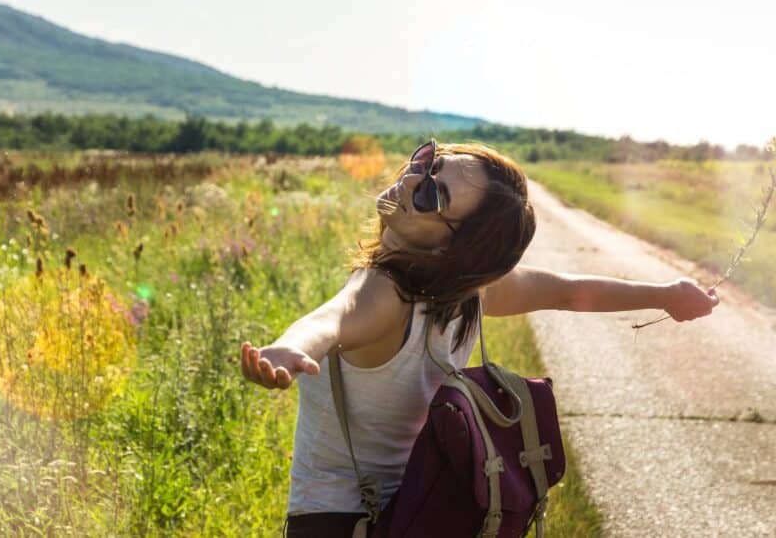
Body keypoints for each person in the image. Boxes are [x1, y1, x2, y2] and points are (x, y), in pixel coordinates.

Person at [239, 139, 719, 537]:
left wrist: (291, 347)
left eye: (433, 195)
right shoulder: (471, 293)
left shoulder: (383, 288)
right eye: (427, 162)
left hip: (340, 522)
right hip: (425, 512)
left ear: (453, 244)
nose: (410, 180)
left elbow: (334, 317)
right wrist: (665, 294)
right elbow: (570, 292)